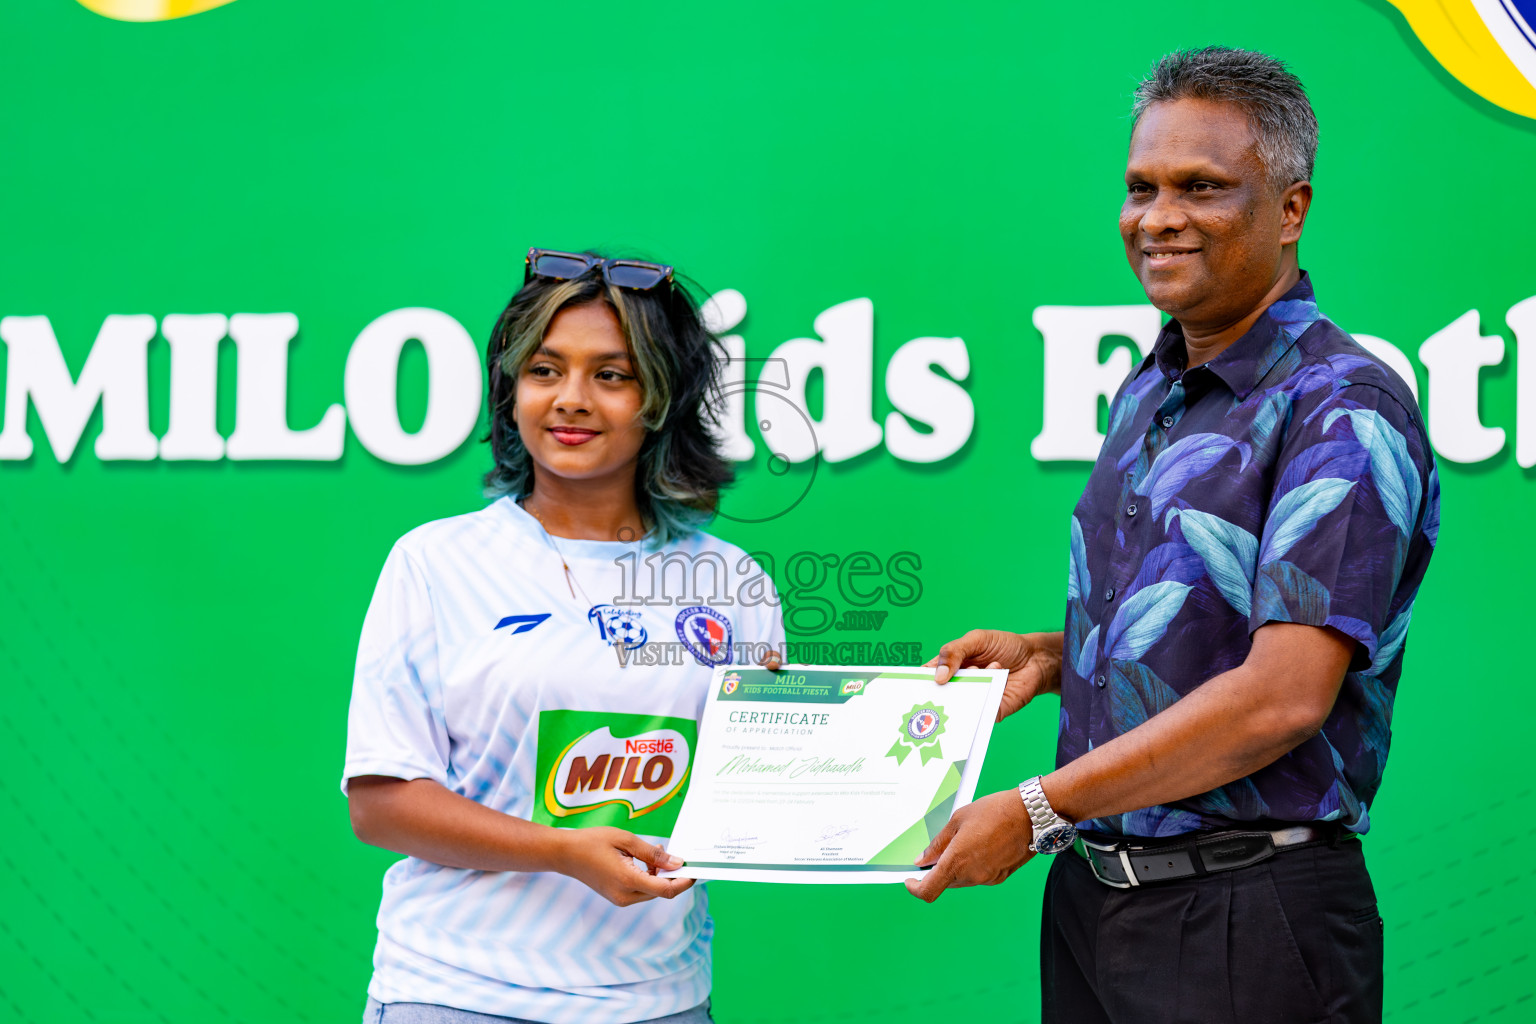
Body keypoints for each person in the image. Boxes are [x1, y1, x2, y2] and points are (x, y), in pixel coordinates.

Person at [906, 48, 1440, 1024]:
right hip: (1098, 902)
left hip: (1246, 917)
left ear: (1289, 209)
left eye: (1202, 187)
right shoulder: (1152, 388)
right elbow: (1218, 627)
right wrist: (1057, 656)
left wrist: (1035, 810)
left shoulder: (1344, 408)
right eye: (1141, 187)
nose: (1158, 217)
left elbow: (1281, 695)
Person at [342, 248, 784, 1024]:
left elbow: (758, 797)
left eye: (611, 376)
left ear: (660, 397)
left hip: (658, 1001)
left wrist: (821, 746)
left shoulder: (731, 582)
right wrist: (561, 850)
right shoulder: (434, 562)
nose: (571, 400)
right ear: (511, 389)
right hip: (455, 994)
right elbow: (382, 804)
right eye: (545, 371)